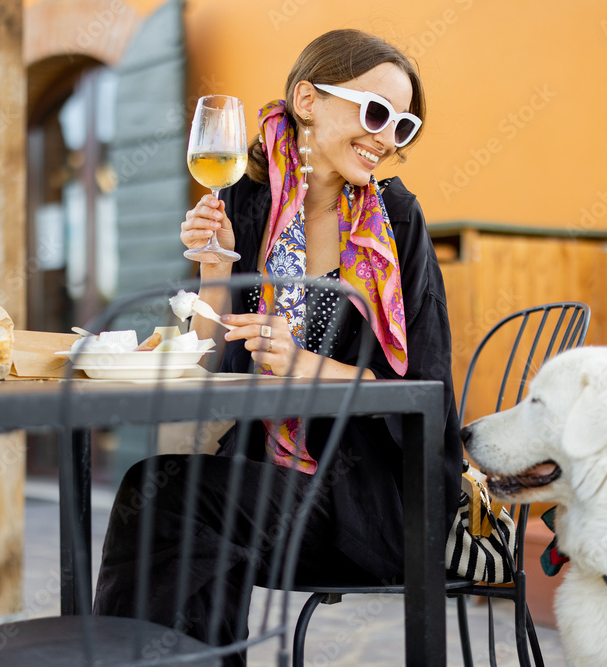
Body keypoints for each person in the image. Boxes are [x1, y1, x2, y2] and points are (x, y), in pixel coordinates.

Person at [93, 28, 464, 665]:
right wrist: (214, 272)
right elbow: (206, 356)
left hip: (374, 501)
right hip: (267, 476)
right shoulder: (247, 199)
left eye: (402, 126)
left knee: (183, 499)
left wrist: (308, 366)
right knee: (157, 489)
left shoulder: (396, 221)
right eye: (376, 112)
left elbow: (426, 396)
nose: (385, 137)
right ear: (307, 100)